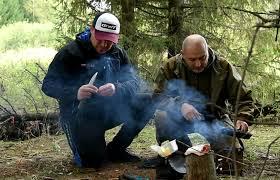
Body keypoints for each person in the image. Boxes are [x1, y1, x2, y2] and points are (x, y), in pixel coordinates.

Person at [42, 12, 149, 168]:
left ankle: (116, 150)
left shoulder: (117, 53)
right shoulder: (71, 53)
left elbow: (134, 82)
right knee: (93, 163)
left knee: (147, 101)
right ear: (92, 29)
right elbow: (48, 85)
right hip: (78, 116)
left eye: (110, 41)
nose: (104, 45)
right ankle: (91, 151)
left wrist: (116, 88)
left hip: (109, 110)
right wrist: (75, 92)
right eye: (101, 39)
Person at [153, 34, 255, 176]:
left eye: (202, 57)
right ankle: (169, 154)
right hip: (179, 121)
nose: (198, 64)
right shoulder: (171, 66)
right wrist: (180, 105)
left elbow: (243, 98)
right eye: (192, 59)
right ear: (183, 55)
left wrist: (243, 118)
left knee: (229, 163)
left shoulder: (223, 67)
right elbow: (158, 97)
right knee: (162, 116)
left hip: (215, 120)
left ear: (208, 50)